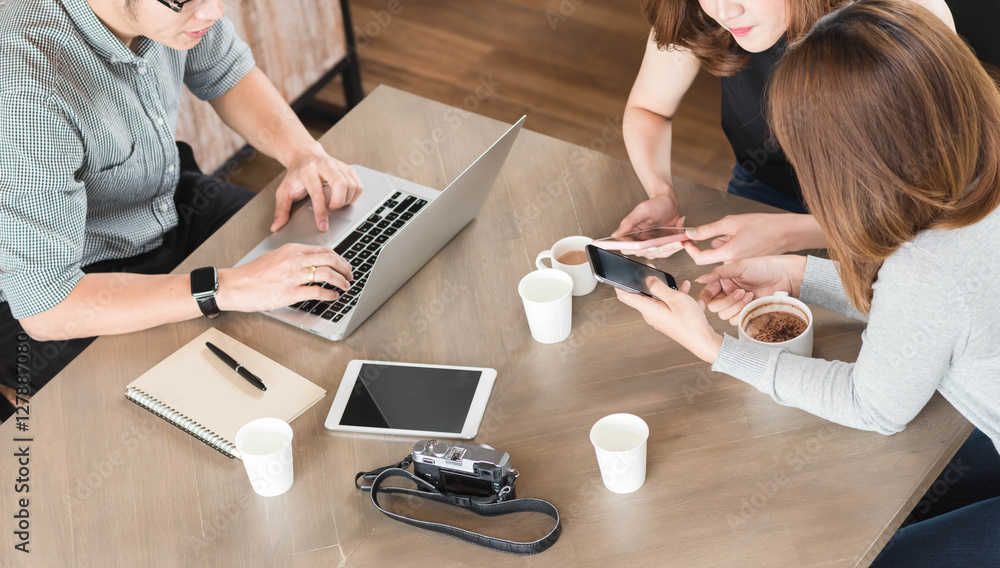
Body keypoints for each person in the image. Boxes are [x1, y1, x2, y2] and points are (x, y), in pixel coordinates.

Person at [616, 0, 1000, 563]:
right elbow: (943, 313)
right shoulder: (969, 193)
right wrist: (797, 272)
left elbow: (874, 406)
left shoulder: (928, 267)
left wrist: (713, 348)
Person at [0, 0, 362, 407]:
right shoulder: (23, 88)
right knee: (230, 398)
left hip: (163, 205)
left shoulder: (182, 14)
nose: (214, 12)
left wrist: (302, 154)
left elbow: (226, 72)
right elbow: (46, 307)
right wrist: (229, 286)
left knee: (335, 268)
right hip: (73, 287)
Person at [617, 0, 954, 264]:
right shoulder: (704, 15)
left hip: (893, 214)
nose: (725, 12)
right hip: (765, 190)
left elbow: (943, 197)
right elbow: (649, 109)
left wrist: (794, 233)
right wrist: (661, 192)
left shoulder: (906, 13)